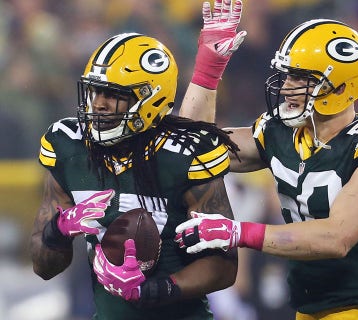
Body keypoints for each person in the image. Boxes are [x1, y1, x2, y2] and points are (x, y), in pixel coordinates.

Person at [176, 1, 358, 319]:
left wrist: (239, 232)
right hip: (308, 310)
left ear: (343, 86)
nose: (287, 88)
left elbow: (336, 237)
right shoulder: (279, 131)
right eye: (286, 76)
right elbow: (193, 149)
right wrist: (209, 68)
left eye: (300, 78)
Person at [29, 26, 244, 319]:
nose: (98, 104)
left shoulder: (184, 154)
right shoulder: (68, 146)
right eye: (94, 91)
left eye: (112, 94)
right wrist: (58, 230)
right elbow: (43, 268)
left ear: (150, 100)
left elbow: (224, 267)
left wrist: (158, 289)